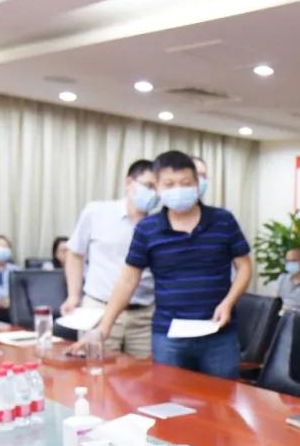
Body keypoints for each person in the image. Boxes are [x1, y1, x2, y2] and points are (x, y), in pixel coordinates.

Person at [80, 150, 252, 379]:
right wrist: (104, 327)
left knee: (222, 397)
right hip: (169, 336)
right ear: (158, 188)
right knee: (167, 395)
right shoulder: (147, 229)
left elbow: (244, 267)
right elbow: (128, 280)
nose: (178, 189)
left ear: (197, 184)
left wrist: (228, 303)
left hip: (219, 334)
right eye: (169, 184)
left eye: (185, 183)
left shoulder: (223, 220)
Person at [61, 159, 158, 358]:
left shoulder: (159, 223)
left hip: (143, 315)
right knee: (96, 369)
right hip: (99, 309)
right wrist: (73, 295)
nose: (153, 193)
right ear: (129, 182)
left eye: (157, 188)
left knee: (144, 374)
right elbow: (75, 253)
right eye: (148, 186)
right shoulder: (97, 212)